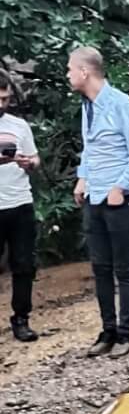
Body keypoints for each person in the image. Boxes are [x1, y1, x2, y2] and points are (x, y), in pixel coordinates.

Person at [69, 47, 129, 358]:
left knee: (124, 268)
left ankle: (126, 333)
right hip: (94, 197)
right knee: (100, 268)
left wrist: (122, 187)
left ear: (85, 72)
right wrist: (82, 177)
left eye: (70, 69)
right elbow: (90, 149)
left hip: (120, 200)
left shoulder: (121, 104)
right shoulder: (87, 107)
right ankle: (107, 330)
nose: (68, 75)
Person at [0, 69, 40, 342]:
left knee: (24, 265)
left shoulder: (19, 125)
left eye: (5, 98)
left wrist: (29, 163)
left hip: (20, 202)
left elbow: (36, 160)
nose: (1, 104)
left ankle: (21, 318)